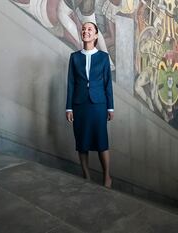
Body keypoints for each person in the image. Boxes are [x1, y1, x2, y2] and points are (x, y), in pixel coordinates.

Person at [65, 22, 114, 188]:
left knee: (101, 141)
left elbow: (108, 84)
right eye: (83, 29)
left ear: (95, 35)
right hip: (80, 104)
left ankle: (107, 176)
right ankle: (86, 175)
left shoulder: (103, 57)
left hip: (98, 104)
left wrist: (110, 107)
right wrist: (69, 107)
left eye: (89, 29)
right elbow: (71, 83)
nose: (85, 31)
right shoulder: (74, 57)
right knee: (82, 140)